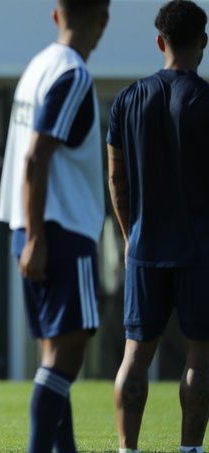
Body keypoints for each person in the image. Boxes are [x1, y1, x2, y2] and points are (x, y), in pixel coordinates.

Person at [0, 0, 109, 451]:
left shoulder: (36, 66)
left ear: (55, 14)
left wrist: (31, 236)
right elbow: (35, 158)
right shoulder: (72, 74)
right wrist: (41, 238)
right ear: (103, 20)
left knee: (53, 354)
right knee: (68, 354)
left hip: (31, 229)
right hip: (58, 231)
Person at [107, 1, 209, 452]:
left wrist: (131, 236)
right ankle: (189, 451)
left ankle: (128, 449)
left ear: (159, 42)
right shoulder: (207, 100)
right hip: (200, 249)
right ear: (202, 43)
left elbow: (116, 176)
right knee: (200, 356)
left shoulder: (127, 100)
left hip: (145, 245)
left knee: (134, 355)